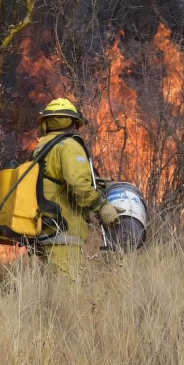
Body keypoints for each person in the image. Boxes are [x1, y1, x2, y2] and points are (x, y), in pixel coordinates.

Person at [32, 98, 122, 276]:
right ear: (74, 123)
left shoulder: (41, 148)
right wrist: (101, 206)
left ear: (47, 124)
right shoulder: (70, 146)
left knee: (48, 292)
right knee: (66, 293)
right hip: (63, 229)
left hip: (43, 227)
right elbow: (78, 184)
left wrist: (94, 181)